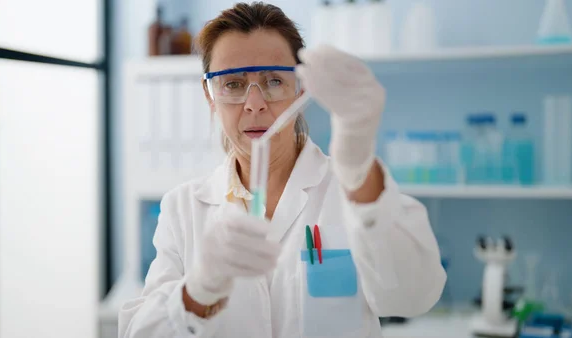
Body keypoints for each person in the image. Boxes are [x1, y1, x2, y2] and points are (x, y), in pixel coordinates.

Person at [119, 2, 446, 338]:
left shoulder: (353, 189)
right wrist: (196, 293)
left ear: (300, 88)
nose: (255, 103)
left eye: (274, 80)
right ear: (209, 94)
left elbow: (414, 296)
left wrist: (359, 169)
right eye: (232, 84)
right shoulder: (183, 209)